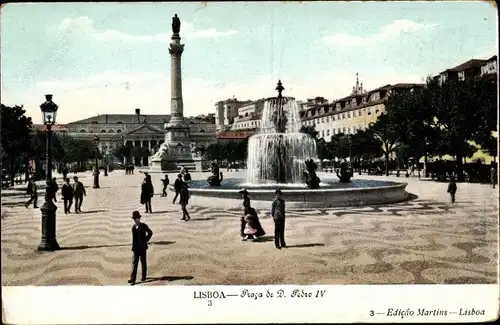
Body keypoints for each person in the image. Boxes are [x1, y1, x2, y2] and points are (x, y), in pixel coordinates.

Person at [128, 211, 153, 285]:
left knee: (143, 262)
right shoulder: (133, 227)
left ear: (139, 218)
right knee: (134, 263)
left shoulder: (144, 226)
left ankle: (144, 275)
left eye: (138, 218)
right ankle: (133, 279)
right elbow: (134, 239)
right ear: (133, 219)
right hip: (136, 248)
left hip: (142, 247)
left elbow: (150, 232)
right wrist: (133, 247)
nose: (136, 220)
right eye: (135, 219)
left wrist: (146, 240)